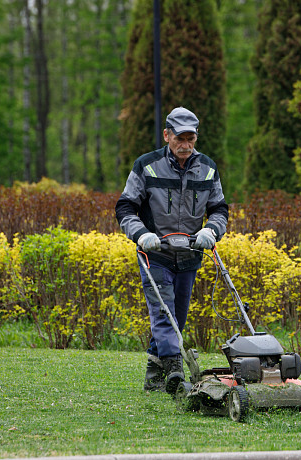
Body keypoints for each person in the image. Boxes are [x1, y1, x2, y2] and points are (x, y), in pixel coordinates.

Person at [115, 107, 229, 393]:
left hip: (190, 255)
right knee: (163, 313)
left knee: (175, 316)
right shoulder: (147, 166)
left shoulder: (208, 168)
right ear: (167, 135)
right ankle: (175, 369)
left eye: (191, 139)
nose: (185, 146)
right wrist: (141, 234)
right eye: (180, 138)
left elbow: (219, 209)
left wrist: (211, 230)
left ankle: (154, 374)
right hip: (156, 254)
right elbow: (125, 207)